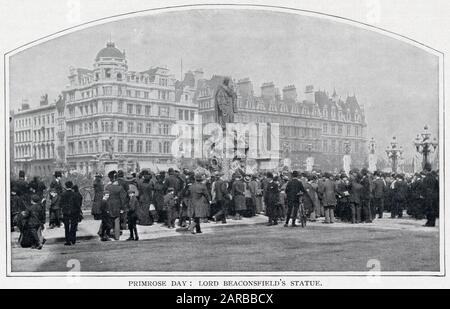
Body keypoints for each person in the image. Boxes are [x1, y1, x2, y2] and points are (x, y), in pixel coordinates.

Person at [105, 171, 127, 240]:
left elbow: (105, 198)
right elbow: (123, 199)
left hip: (109, 205)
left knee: (108, 220)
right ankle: (117, 236)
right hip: (117, 205)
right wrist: (123, 208)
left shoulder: (107, 187)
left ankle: (107, 234)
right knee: (117, 220)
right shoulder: (120, 188)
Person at [60, 181, 80, 246]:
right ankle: (73, 239)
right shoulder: (75, 194)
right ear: (71, 186)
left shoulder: (63, 194)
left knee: (66, 226)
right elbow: (77, 204)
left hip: (66, 212)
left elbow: (60, 204)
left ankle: (67, 240)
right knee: (73, 226)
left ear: (66, 186)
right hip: (74, 212)